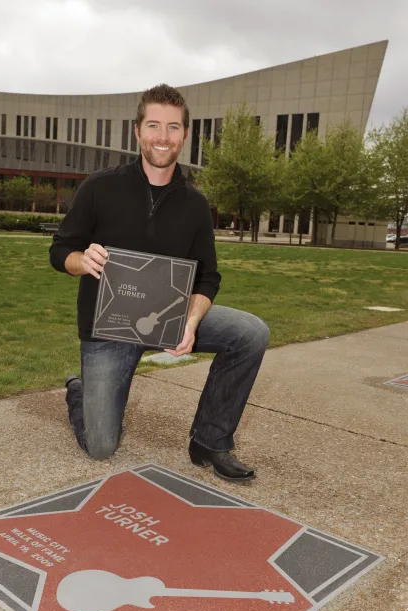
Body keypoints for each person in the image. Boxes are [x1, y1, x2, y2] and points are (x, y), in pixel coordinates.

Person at [49, 84, 269, 482]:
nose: (162, 137)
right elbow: (59, 250)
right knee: (100, 448)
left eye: (172, 127)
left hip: (166, 318)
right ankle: (81, 390)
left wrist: (191, 319)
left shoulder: (196, 205)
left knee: (250, 333)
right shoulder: (100, 187)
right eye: (153, 125)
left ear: (185, 135)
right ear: (137, 131)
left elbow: (207, 276)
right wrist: (82, 260)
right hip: (109, 330)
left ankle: (211, 440)